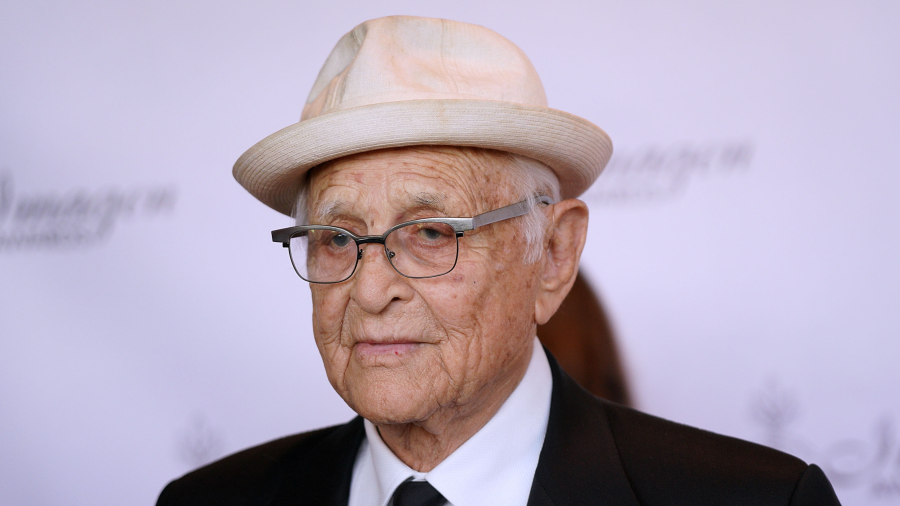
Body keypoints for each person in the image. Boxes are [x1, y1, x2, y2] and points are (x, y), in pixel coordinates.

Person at [157, 16, 840, 506]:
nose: (369, 290)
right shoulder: (209, 500)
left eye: (429, 232)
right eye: (337, 237)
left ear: (553, 257)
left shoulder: (757, 499)